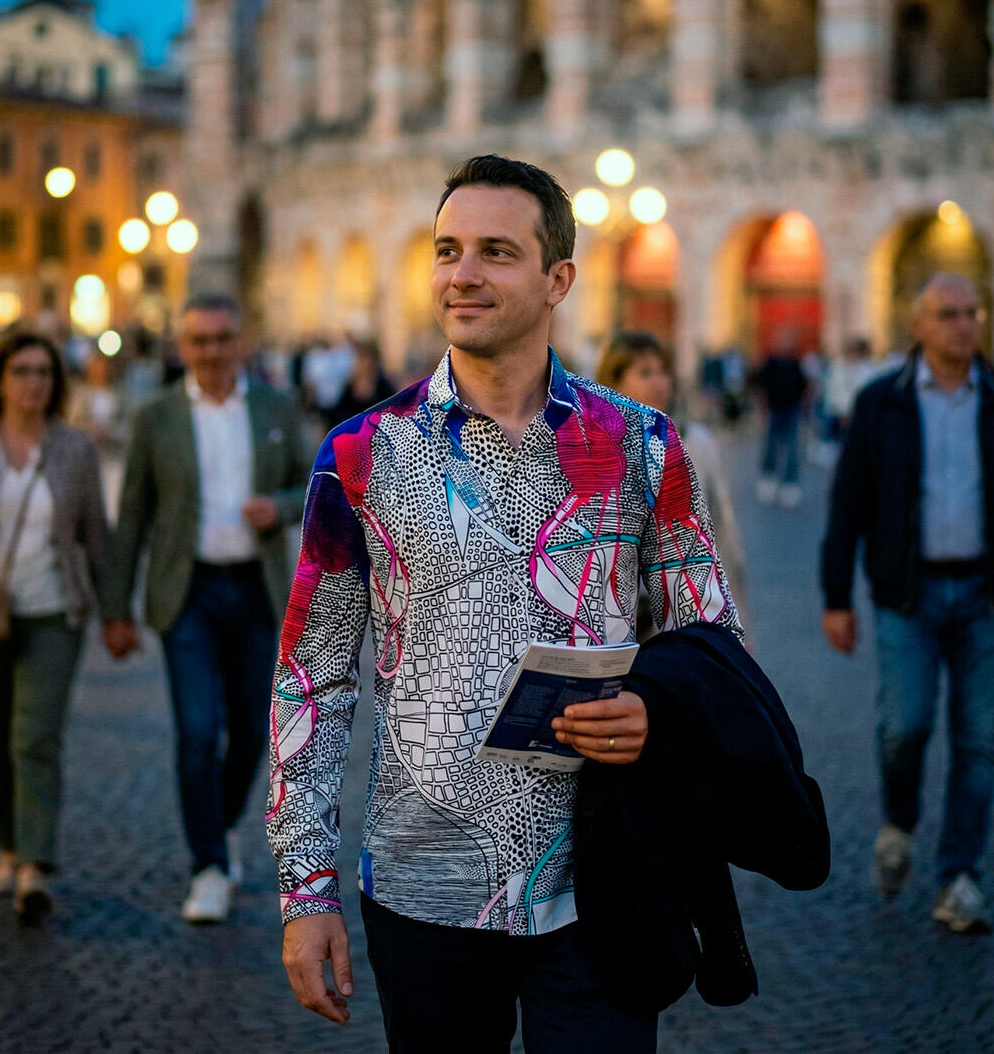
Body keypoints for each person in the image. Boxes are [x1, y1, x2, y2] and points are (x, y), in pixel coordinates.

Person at [268, 155, 741, 1053]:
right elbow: (313, 677)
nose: (462, 274)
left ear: (558, 278)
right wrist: (305, 892)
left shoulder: (641, 444)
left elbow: (712, 632)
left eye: (495, 251)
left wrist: (656, 708)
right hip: (422, 888)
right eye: (448, 250)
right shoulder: (361, 454)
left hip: (602, 874)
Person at [103, 294, 310, 924]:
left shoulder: (275, 407)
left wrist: (279, 504)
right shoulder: (156, 417)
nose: (211, 352)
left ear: (241, 341)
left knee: (251, 730)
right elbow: (133, 513)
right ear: (183, 347)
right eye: (199, 341)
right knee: (198, 732)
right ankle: (208, 866)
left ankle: (217, 828)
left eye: (222, 339)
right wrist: (117, 606)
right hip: (185, 591)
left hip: (255, 589)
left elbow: (317, 483)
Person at [821, 273, 994, 934]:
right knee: (907, 725)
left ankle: (958, 875)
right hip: (906, 592)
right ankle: (899, 822)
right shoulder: (879, 404)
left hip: (982, 594)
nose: (962, 325)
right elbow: (848, 505)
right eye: (947, 314)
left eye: (971, 312)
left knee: (979, 741)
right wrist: (837, 597)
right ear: (917, 326)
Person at [0, 332, 111, 919]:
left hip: (54, 613)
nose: (33, 382)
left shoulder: (75, 449)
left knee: (33, 736)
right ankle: (10, 847)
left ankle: (35, 866)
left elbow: (96, 535)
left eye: (43, 371)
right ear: (0, 379)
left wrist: (115, 613)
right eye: (21, 371)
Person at [595, 331, 750, 643]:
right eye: (645, 373)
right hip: (613, 627)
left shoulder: (694, 442)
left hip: (686, 619)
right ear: (613, 382)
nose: (659, 382)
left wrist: (738, 625)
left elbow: (720, 534)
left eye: (663, 371)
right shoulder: (591, 449)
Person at [753, 329, 809, 507]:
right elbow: (760, 385)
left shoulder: (796, 363)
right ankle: (768, 478)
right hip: (774, 409)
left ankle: (789, 484)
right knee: (770, 446)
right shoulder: (770, 362)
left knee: (792, 448)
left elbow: (803, 386)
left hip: (791, 409)